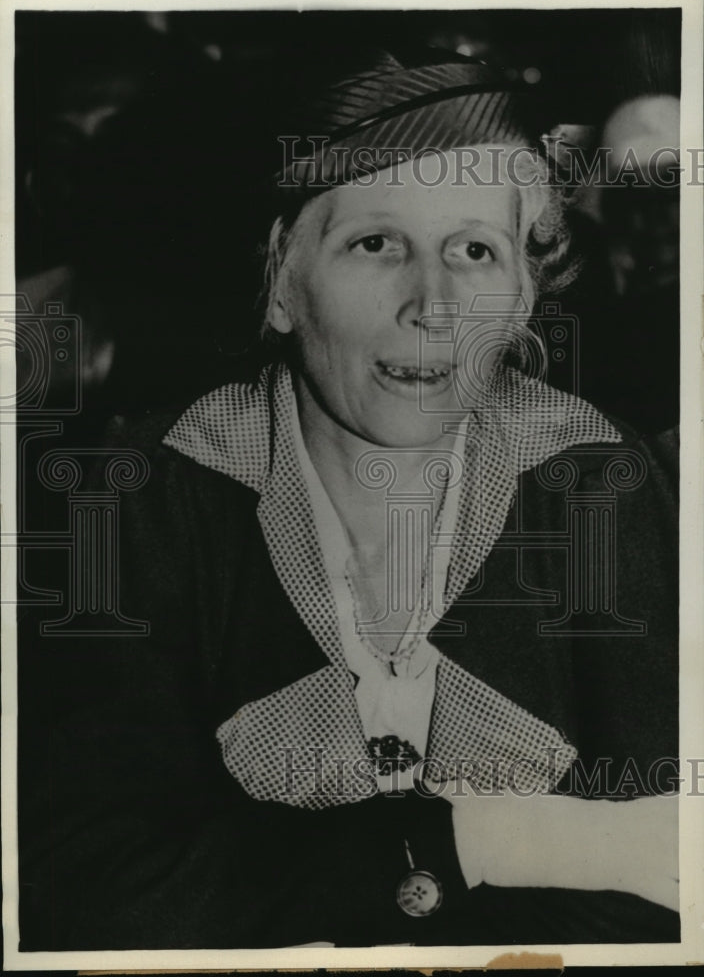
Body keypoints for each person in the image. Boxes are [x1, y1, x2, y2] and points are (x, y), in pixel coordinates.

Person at [19, 46, 679, 950]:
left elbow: (659, 876)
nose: (433, 304)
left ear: (524, 297)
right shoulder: (142, 490)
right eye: (376, 244)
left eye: (475, 251)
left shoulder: (598, 483)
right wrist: (480, 840)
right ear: (281, 287)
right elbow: (85, 882)